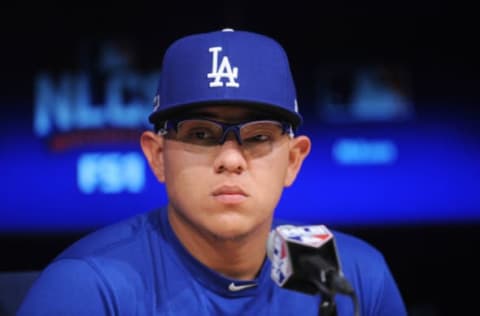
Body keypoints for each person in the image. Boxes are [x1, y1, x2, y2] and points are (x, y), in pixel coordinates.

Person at [18, 28, 407, 315]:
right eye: (201, 133)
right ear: (157, 157)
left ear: (293, 160)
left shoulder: (352, 274)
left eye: (257, 137)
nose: (231, 159)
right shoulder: (86, 288)